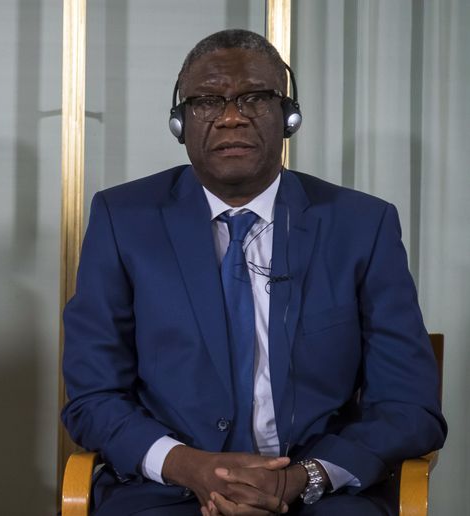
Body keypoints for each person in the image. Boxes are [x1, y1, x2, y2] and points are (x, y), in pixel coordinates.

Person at [61, 29, 447, 516]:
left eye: (255, 98)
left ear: (288, 116)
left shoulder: (362, 225)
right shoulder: (123, 219)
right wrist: (189, 466)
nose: (229, 117)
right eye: (206, 102)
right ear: (180, 122)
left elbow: (410, 408)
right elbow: (93, 397)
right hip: (166, 490)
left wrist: (304, 478)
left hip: (318, 494)